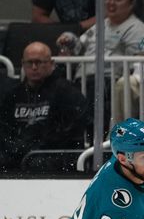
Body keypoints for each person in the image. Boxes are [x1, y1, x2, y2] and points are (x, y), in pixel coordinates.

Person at [56, 0, 144, 125]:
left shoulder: (137, 29)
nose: (111, 3)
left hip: (108, 82)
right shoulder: (101, 24)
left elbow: (135, 66)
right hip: (82, 79)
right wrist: (70, 40)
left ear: (131, 4)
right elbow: (81, 46)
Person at [0, 42, 89, 172]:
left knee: (37, 163)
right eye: (29, 63)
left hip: (54, 154)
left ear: (51, 63)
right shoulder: (13, 94)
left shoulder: (67, 92)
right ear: (23, 64)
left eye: (39, 62)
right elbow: (4, 128)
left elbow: (72, 130)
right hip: (18, 154)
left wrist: (34, 144)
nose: (34, 67)